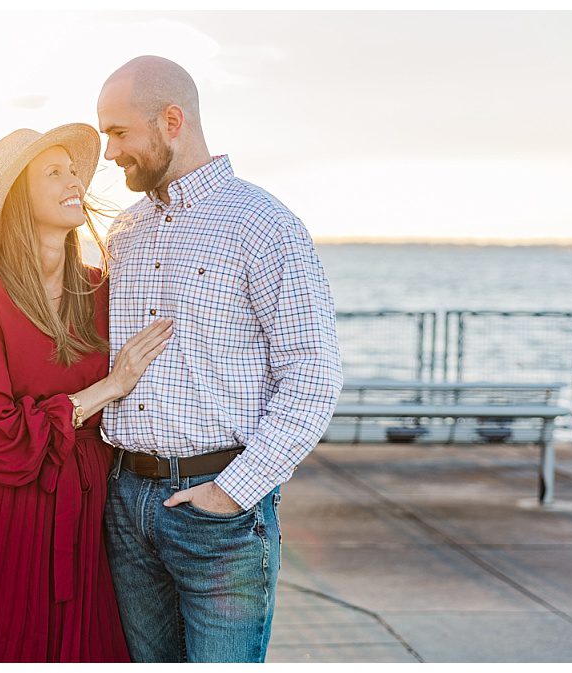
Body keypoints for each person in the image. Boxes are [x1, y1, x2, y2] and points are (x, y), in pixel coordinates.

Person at [97, 55, 344, 662]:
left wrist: (233, 493)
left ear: (171, 120)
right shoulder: (124, 233)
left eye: (119, 133)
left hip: (221, 513)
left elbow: (313, 374)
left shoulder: (263, 225)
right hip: (125, 504)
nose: (109, 154)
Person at [0, 123, 173, 662]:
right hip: (1, 507)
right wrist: (108, 388)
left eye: (74, 171)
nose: (74, 182)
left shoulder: (99, 287)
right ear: (18, 195)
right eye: (54, 172)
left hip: (89, 510)